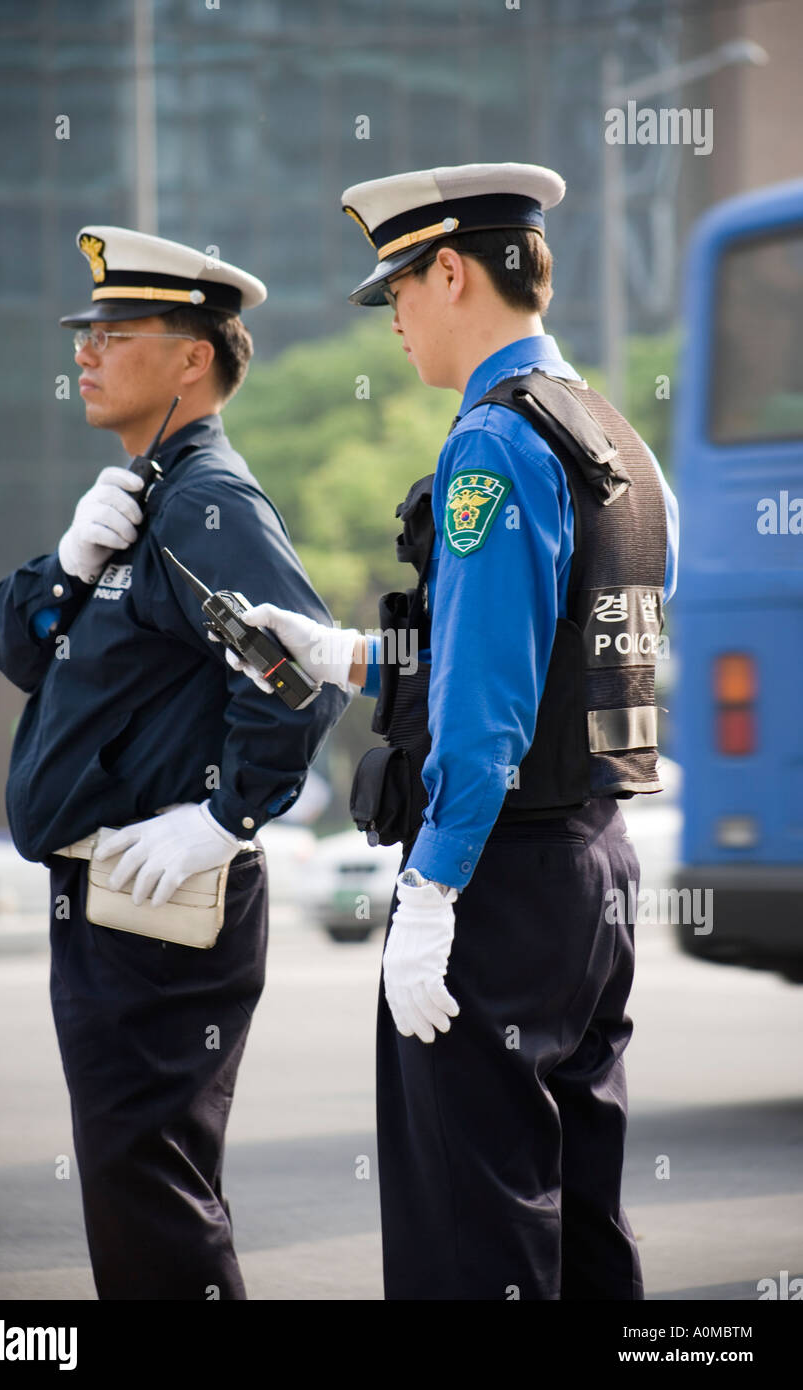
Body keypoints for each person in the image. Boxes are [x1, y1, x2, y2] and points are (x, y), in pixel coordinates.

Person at [225, 163, 680, 1301]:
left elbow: (485, 721)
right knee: (581, 1226)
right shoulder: (617, 441)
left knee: (470, 1236)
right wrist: (351, 653)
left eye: (398, 295)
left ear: (449, 269)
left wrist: (430, 892)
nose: (396, 324)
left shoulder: (491, 441)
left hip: (496, 879)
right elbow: (559, 650)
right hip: (593, 869)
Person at [0, 225, 349, 1300]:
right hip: (112, 902)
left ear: (193, 358)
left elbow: (300, 673)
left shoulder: (204, 504)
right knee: (133, 1186)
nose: (84, 353)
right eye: (84, 334)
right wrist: (66, 562)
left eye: (114, 332)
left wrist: (229, 816)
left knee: (150, 1195)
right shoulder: (143, 500)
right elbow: (20, 653)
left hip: (157, 902)